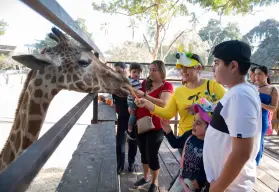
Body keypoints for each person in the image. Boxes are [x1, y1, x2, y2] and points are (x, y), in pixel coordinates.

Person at [203, 40, 262, 192]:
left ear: (233, 66)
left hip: (230, 187)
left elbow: (242, 153)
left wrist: (217, 188)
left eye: (217, 62)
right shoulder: (239, 91)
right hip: (226, 184)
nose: (213, 67)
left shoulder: (240, 96)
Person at [133, 60, 173, 192]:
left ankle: (155, 182)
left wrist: (145, 96)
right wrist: (137, 101)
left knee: (152, 154)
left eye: (154, 70)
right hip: (141, 122)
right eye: (149, 69)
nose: (150, 72)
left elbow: (164, 104)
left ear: (161, 71)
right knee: (143, 152)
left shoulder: (166, 85)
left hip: (156, 125)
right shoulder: (146, 83)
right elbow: (142, 100)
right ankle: (146, 177)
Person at [161, 102, 213, 192]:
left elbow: (211, 168)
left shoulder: (211, 145)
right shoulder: (189, 135)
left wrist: (201, 180)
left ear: (209, 127)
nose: (193, 125)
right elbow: (175, 143)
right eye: (194, 121)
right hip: (183, 176)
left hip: (196, 184)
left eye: (198, 123)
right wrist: (168, 131)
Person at [112, 62, 138, 174]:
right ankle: (120, 164)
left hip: (132, 116)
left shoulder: (131, 82)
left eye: (119, 71)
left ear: (125, 70)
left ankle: (131, 162)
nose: (117, 73)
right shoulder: (114, 83)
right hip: (122, 116)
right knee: (120, 141)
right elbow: (113, 99)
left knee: (132, 141)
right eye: (115, 71)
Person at [254, 65, 278, 165]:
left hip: (262, 118)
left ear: (266, 75)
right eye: (255, 74)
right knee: (249, 141)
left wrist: (259, 103)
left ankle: (256, 164)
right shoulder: (252, 87)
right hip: (250, 118)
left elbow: (273, 108)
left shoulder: (273, 89)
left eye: (259, 74)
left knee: (259, 140)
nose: (257, 76)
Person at [125, 62, 142, 140]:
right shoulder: (132, 81)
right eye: (134, 72)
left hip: (131, 100)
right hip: (132, 101)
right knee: (133, 114)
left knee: (133, 114)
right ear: (130, 72)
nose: (136, 74)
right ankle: (129, 130)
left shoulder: (132, 80)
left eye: (138, 72)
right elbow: (138, 91)